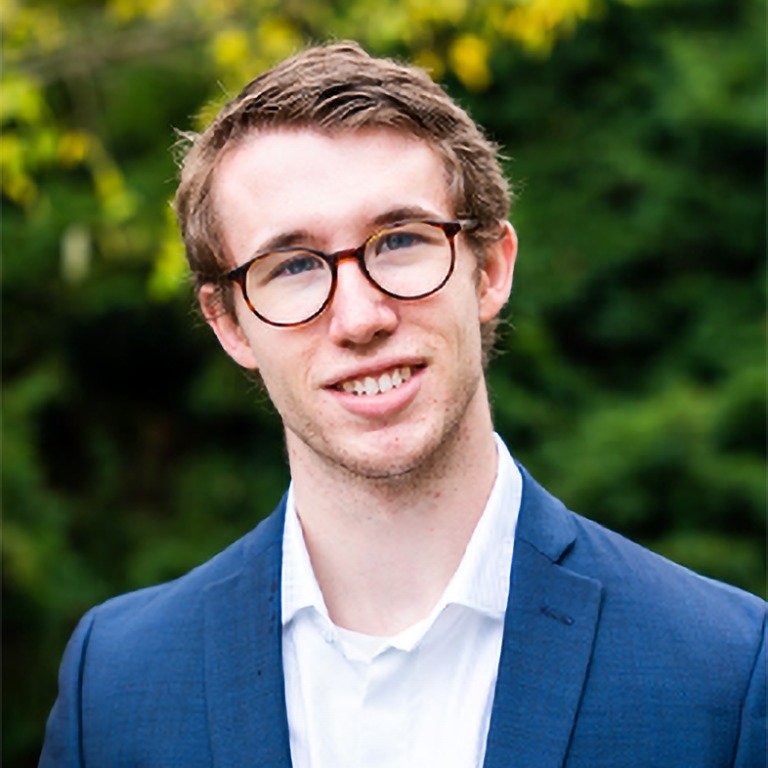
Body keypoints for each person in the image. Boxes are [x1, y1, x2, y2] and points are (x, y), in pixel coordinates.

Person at [40, 41, 765, 768]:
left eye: (399, 241)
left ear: (490, 269)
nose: (359, 318)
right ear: (229, 323)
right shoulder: (113, 683)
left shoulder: (726, 671)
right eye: (292, 266)